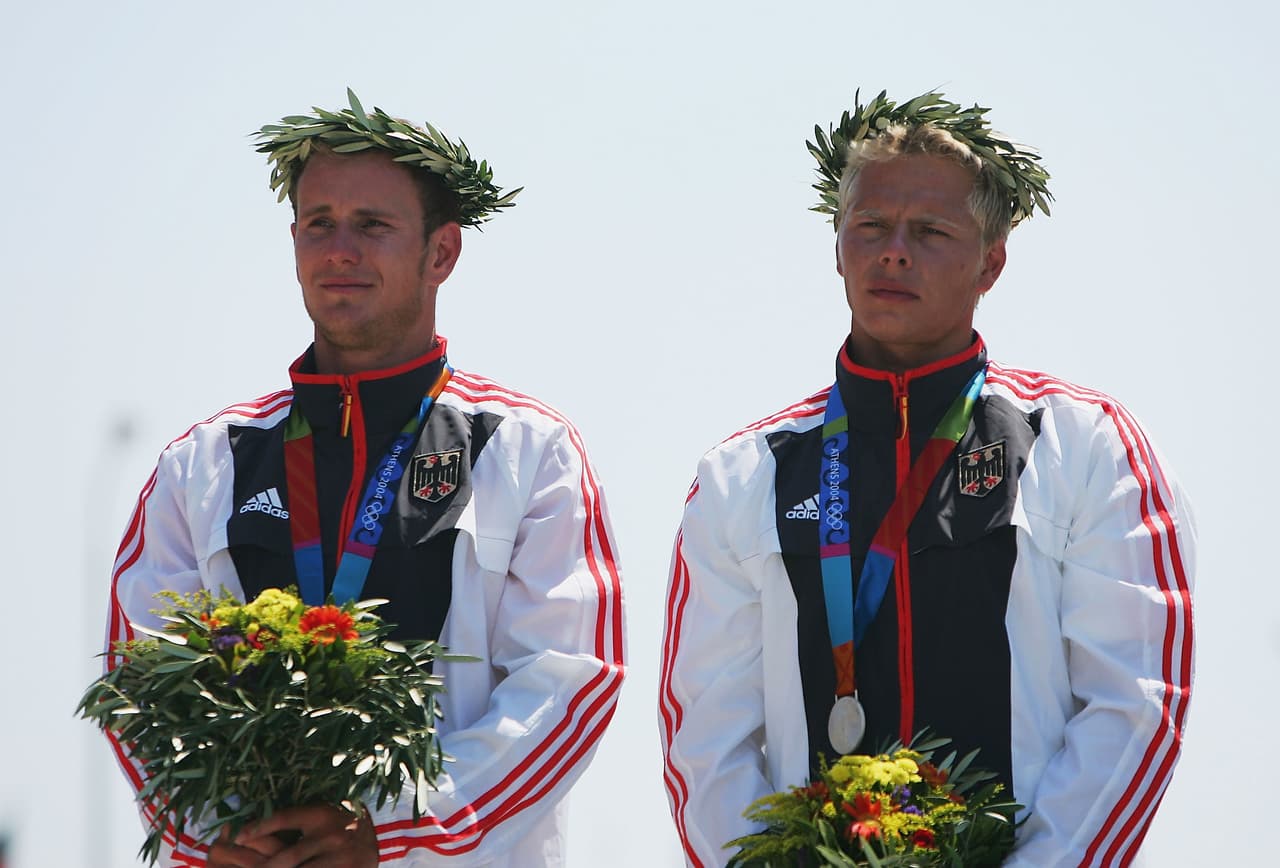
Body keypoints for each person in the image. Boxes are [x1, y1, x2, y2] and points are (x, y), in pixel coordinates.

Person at [658, 90, 1195, 867]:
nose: (894, 251)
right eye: (870, 227)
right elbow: (705, 739)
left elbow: (1134, 705)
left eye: (931, 232)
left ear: (992, 262)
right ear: (837, 248)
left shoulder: (1086, 443)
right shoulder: (743, 473)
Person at [104, 92, 626, 867]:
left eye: (372, 226)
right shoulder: (203, 461)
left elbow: (567, 688)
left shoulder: (528, 450)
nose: (340, 249)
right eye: (319, 223)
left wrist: (396, 828)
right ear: (293, 245)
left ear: (441, 253)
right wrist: (218, 835)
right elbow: (136, 682)